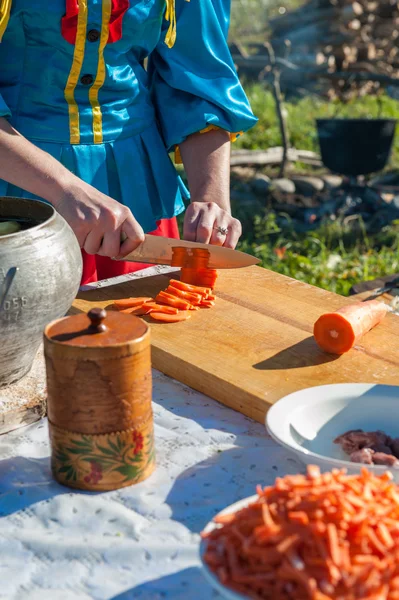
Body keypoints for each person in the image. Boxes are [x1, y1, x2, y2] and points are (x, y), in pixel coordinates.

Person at [0, 0, 257, 284]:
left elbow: (199, 78)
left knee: (148, 323)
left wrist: (211, 201)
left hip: (138, 197)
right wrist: (63, 188)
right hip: (14, 182)